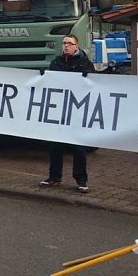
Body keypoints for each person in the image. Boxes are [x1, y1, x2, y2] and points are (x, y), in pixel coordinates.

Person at [40, 34, 95, 193]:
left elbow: (94, 84)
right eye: (64, 43)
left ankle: (81, 180)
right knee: (55, 145)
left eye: (69, 43)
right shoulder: (56, 62)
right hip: (59, 110)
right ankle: (54, 177)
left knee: (78, 148)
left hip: (77, 111)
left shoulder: (85, 63)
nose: (66, 46)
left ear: (76, 46)